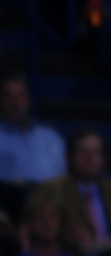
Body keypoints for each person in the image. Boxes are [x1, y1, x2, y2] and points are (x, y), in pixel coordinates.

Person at [38, 130, 111, 255]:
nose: (89, 157)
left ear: (104, 160)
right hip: (72, 255)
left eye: (95, 151)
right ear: (69, 158)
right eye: (82, 151)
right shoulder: (52, 190)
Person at [0, 70, 66, 220]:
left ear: (29, 100)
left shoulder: (51, 137)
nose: (14, 102)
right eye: (7, 96)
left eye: (20, 96)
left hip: (52, 211)